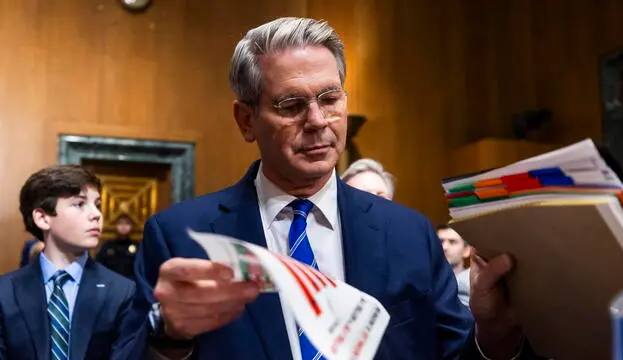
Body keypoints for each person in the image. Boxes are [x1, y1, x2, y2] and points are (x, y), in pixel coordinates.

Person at [132, 17, 544, 360]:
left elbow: (453, 353)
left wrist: (493, 331)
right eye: (290, 106)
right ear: (245, 121)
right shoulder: (179, 239)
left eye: (329, 99)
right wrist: (170, 336)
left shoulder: (408, 234)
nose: (317, 120)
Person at [0, 165, 137, 360]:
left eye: (97, 204)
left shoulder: (122, 292)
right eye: (79, 204)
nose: (96, 214)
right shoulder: (5, 292)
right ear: (43, 218)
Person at [96, 213, 139, 280]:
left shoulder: (137, 246)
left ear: (131, 226)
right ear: (116, 225)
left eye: (127, 223)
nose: (123, 226)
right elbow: (99, 265)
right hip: (110, 282)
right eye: (120, 223)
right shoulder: (108, 245)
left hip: (130, 283)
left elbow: (140, 269)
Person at [438, 224, 472, 307]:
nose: (444, 247)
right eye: (440, 241)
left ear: (466, 250)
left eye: (452, 242)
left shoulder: (470, 282)